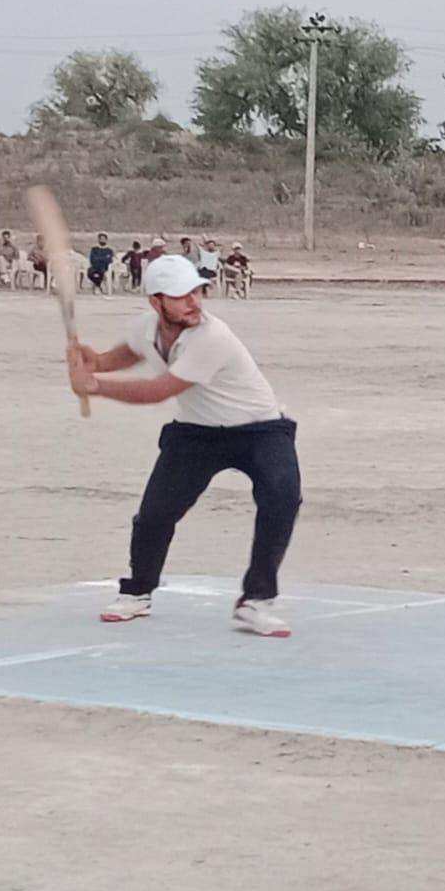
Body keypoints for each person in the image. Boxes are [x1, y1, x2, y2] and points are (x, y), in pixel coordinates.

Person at [66, 255, 302, 638]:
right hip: (196, 433)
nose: (193, 301)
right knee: (154, 515)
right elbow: (126, 354)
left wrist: (94, 386)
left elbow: (159, 390)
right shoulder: (145, 328)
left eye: (196, 291)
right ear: (156, 302)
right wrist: (93, 362)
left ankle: (257, 600)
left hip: (261, 429)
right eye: (181, 295)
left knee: (282, 497)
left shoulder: (213, 336)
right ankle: (137, 592)